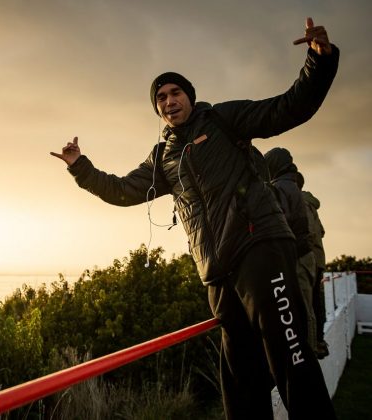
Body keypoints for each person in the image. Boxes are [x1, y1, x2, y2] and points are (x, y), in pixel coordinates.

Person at [51, 17, 338, 420]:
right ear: (158, 108)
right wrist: (80, 167)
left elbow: (289, 107)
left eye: (176, 92)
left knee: (289, 356)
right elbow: (120, 190)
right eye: (161, 98)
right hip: (217, 275)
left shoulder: (222, 120)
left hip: (260, 249)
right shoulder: (163, 158)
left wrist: (319, 59)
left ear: (189, 95)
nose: (170, 101)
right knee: (240, 381)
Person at [265, 147, 318, 357]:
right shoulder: (292, 184)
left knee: (303, 311)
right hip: (305, 256)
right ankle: (310, 352)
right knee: (307, 309)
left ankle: (309, 356)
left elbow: (282, 222)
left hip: (297, 258)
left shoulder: (281, 187)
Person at [296, 170, 330, 359]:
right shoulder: (311, 204)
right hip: (318, 259)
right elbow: (321, 232)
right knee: (316, 301)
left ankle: (314, 344)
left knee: (310, 304)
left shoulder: (300, 203)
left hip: (310, 260)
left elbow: (307, 232)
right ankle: (319, 341)